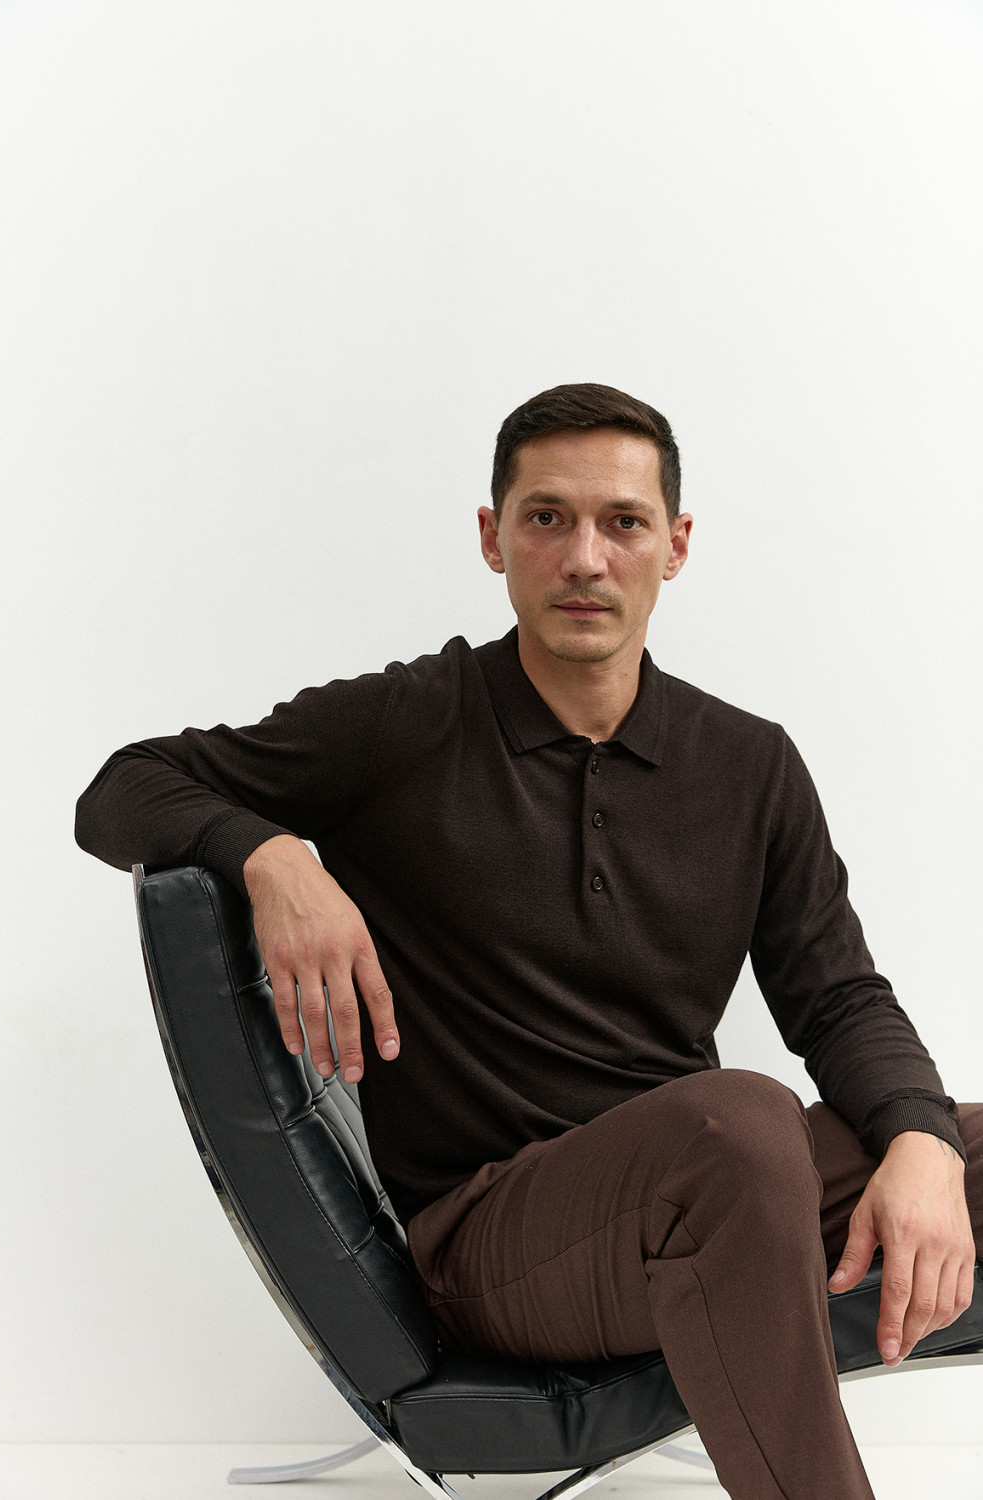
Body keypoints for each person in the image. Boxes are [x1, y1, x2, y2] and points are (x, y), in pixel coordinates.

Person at [76, 383, 981, 1500]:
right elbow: (122, 787)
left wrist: (921, 1142)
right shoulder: (407, 723)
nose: (585, 559)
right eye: (547, 518)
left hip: (707, 1186)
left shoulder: (750, 765)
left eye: (623, 522)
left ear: (675, 546)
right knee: (740, 1126)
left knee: (907, 1143)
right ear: (492, 538)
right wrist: (272, 856)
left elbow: (839, 998)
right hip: (496, 1242)